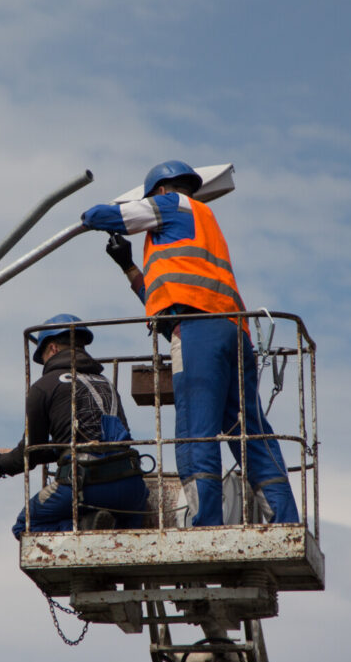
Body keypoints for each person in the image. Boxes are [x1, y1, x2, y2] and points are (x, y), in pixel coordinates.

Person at [80, 160, 299, 527]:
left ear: (161, 191)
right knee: (250, 433)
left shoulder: (173, 205)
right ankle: (286, 519)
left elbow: (104, 215)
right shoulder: (201, 223)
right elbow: (162, 298)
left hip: (199, 330)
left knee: (196, 430)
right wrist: (129, 268)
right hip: (235, 331)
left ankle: (204, 524)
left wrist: (87, 214)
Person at [0, 313, 150, 539]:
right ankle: (104, 529)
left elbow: (29, 455)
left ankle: (85, 524)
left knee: (25, 526)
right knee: (128, 537)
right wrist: (4, 452)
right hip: (131, 487)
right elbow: (87, 443)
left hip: (84, 485)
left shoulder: (44, 386)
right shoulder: (106, 384)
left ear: (51, 348)